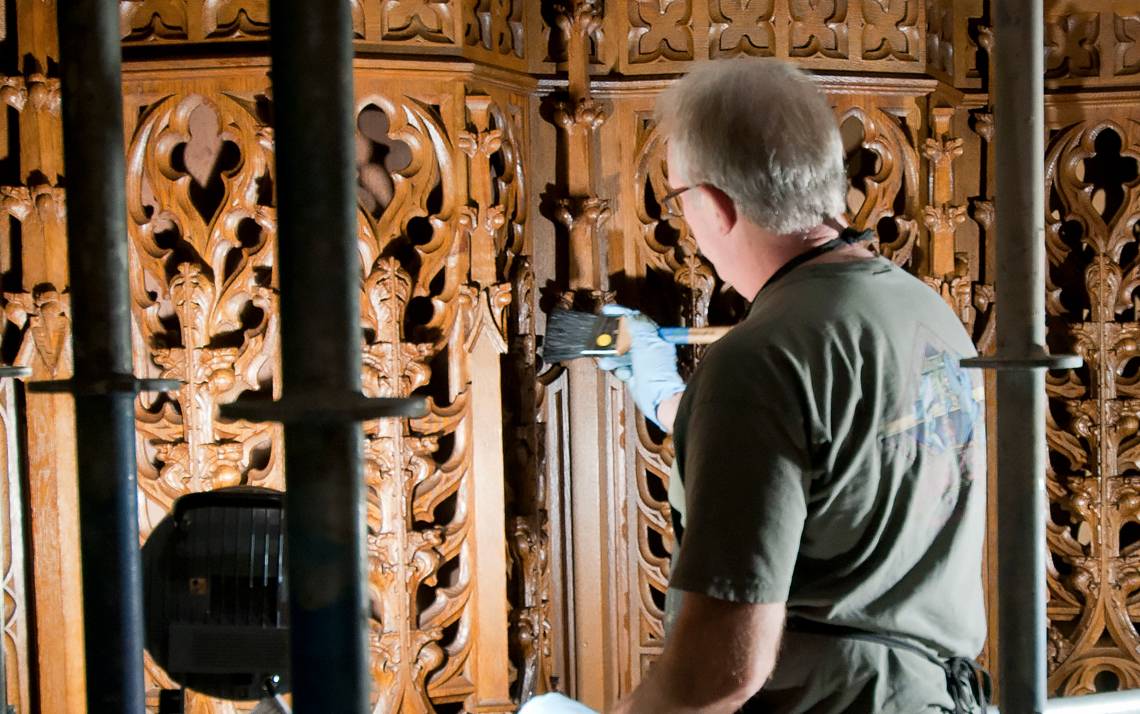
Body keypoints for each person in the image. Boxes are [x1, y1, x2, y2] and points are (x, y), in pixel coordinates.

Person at [599, 58, 989, 713]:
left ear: (715, 205)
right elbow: (848, 459)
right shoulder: (927, 313)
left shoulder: (758, 362)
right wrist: (677, 402)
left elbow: (719, 670)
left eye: (678, 199)